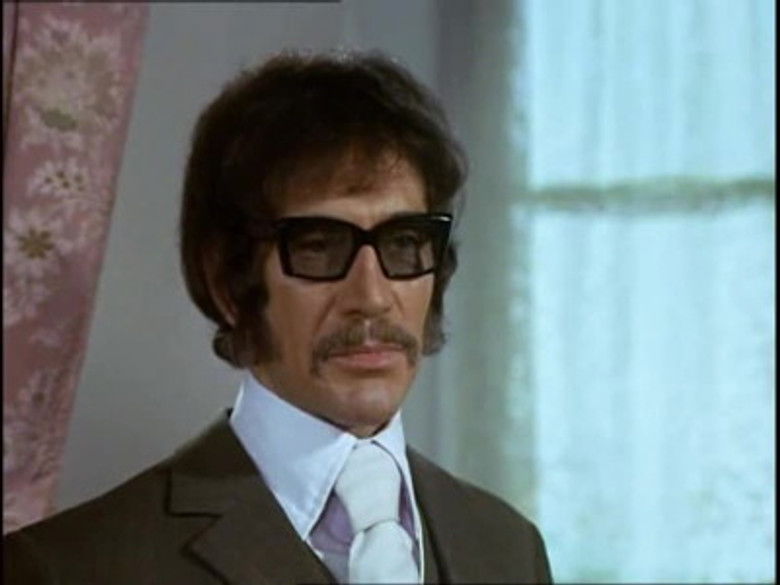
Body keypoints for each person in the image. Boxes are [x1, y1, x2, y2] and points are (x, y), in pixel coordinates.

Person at [3, 50, 552, 584]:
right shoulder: (68, 568)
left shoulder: (508, 546)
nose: (372, 296)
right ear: (229, 284)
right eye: (319, 247)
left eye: (404, 243)